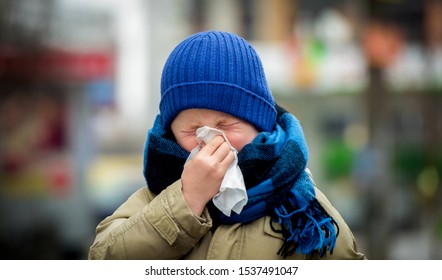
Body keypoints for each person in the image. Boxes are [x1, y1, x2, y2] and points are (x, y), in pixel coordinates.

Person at [88, 30, 366, 260]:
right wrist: (186, 200)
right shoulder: (153, 199)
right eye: (194, 129)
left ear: (259, 127)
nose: (212, 139)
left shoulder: (302, 207)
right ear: (171, 133)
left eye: (225, 125)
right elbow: (102, 258)